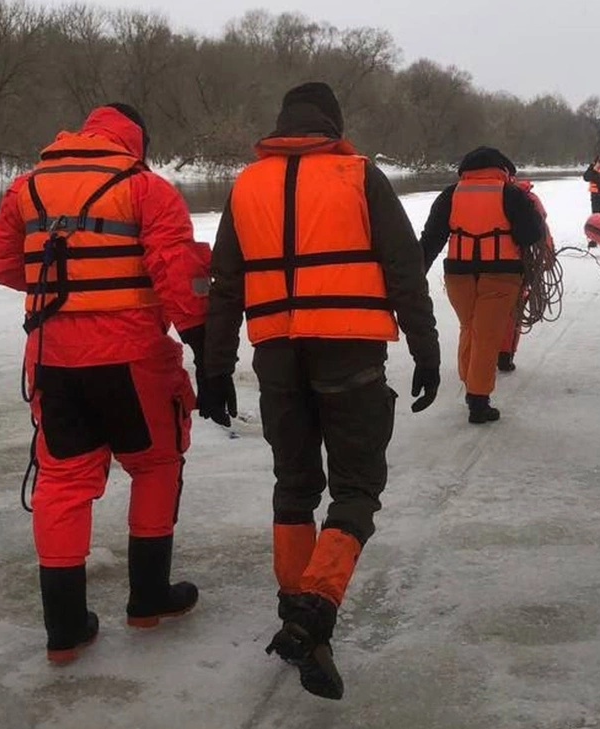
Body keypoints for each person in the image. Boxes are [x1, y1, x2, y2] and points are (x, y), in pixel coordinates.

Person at [202, 82, 441, 700]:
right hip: (350, 353)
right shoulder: (360, 175)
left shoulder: (246, 185)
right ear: (333, 125)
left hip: (277, 356)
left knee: (294, 486)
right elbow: (404, 270)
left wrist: (216, 368)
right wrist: (425, 348)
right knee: (356, 487)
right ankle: (311, 615)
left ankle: (298, 618)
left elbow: (224, 285)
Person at [0, 103, 222, 665]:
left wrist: (62, 282)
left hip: (53, 359)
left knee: (63, 483)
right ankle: (148, 598)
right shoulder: (146, 189)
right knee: (157, 463)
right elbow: (178, 279)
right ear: (136, 142)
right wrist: (205, 348)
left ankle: (65, 630)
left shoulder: (27, 187)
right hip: (132, 358)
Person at [420, 147, 545, 422]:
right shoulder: (511, 194)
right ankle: (478, 400)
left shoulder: (451, 194)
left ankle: (470, 380)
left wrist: (414, 274)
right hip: (501, 273)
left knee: (470, 327)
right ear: (503, 169)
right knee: (487, 334)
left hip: (458, 274)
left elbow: (431, 238)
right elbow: (531, 233)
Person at [497, 176, 554, 373]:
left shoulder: (491, 195)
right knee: (513, 311)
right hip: (516, 265)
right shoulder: (529, 199)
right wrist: (547, 254)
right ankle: (505, 355)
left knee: (478, 316)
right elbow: (541, 229)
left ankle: (481, 356)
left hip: (479, 265)